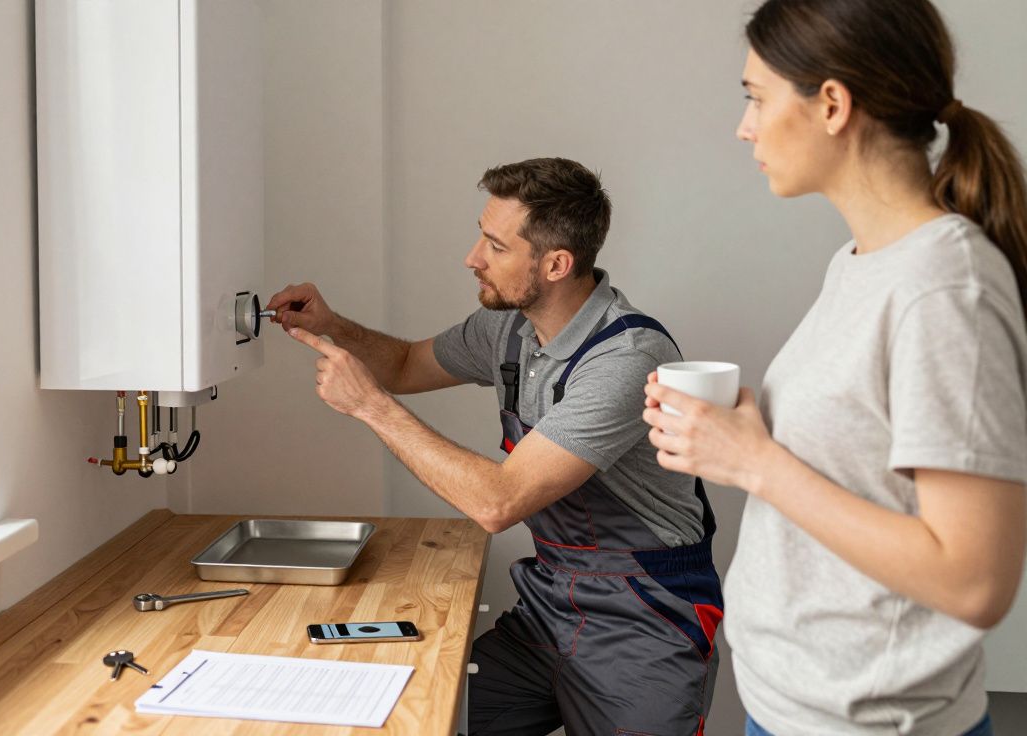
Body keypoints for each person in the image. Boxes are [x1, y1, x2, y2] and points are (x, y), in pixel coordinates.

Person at [641, 1, 1027, 734]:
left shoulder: (945, 288)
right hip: (790, 707)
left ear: (831, 104)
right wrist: (736, 440)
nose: (744, 126)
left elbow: (975, 581)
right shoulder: (862, 264)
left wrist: (755, 463)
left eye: (755, 98)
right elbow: (858, 463)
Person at [269, 157, 722, 735]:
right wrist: (335, 324)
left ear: (556, 264)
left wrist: (370, 407)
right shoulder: (509, 329)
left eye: (495, 246)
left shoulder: (626, 358)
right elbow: (406, 364)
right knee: (422, 717)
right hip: (549, 611)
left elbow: (498, 503)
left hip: (646, 624)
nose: (472, 258)